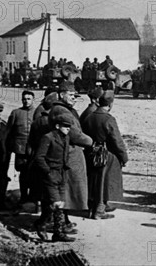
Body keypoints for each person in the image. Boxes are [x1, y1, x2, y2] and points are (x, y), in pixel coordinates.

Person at [49, 81, 93, 226]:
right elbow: (75, 135)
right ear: (62, 95)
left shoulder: (64, 109)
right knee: (66, 189)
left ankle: (64, 220)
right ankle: (59, 223)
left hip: (70, 154)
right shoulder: (61, 111)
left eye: (75, 96)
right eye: (71, 95)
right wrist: (91, 141)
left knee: (68, 188)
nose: (74, 98)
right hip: (67, 155)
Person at [82, 91, 129, 219]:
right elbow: (117, 141)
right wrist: (124, 157)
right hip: (104, 155)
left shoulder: (89, 117)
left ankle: (91, 208)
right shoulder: (109, 119)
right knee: (104, 182)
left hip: (90, 153)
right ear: (110, 104)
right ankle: (99, 210)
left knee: (93, 181)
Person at [33, 114, 75, 242]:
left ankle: (58, 233)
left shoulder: (66, 138)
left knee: (59, 204)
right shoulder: (48, 138)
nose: (68, 129)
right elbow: (39, 157)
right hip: (50, 176)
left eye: (69, 127)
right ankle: (42, 224)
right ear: (57, 126)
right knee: (56, 203)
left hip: (62, 175)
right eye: (65, 126)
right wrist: (48, 172)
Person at [6, 90, 36, 205]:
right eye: (24, 99)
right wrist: (9, 147)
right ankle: (24, 196)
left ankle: (33, 197)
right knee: (23, 173)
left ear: (33, 100)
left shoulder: (37, 113)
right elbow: (9, 131)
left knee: (34, 173)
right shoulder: (16, 113)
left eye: (28, 99)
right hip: (21, 149)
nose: (26, 101)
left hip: (34, 149)